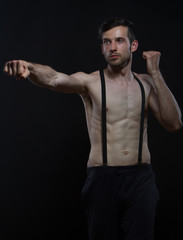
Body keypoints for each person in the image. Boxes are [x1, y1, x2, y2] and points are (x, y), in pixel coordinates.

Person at [3, 17, 182, 240]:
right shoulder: (91, 82)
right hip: (102, 178)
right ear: (102, 48)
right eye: (107, 42)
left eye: (119, 40)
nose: (113, 47)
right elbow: (55, 79)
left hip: (141, 179)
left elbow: (174, 123)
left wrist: (156, 73)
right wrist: (29, 67)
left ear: (133, 45)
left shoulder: (146, 83)